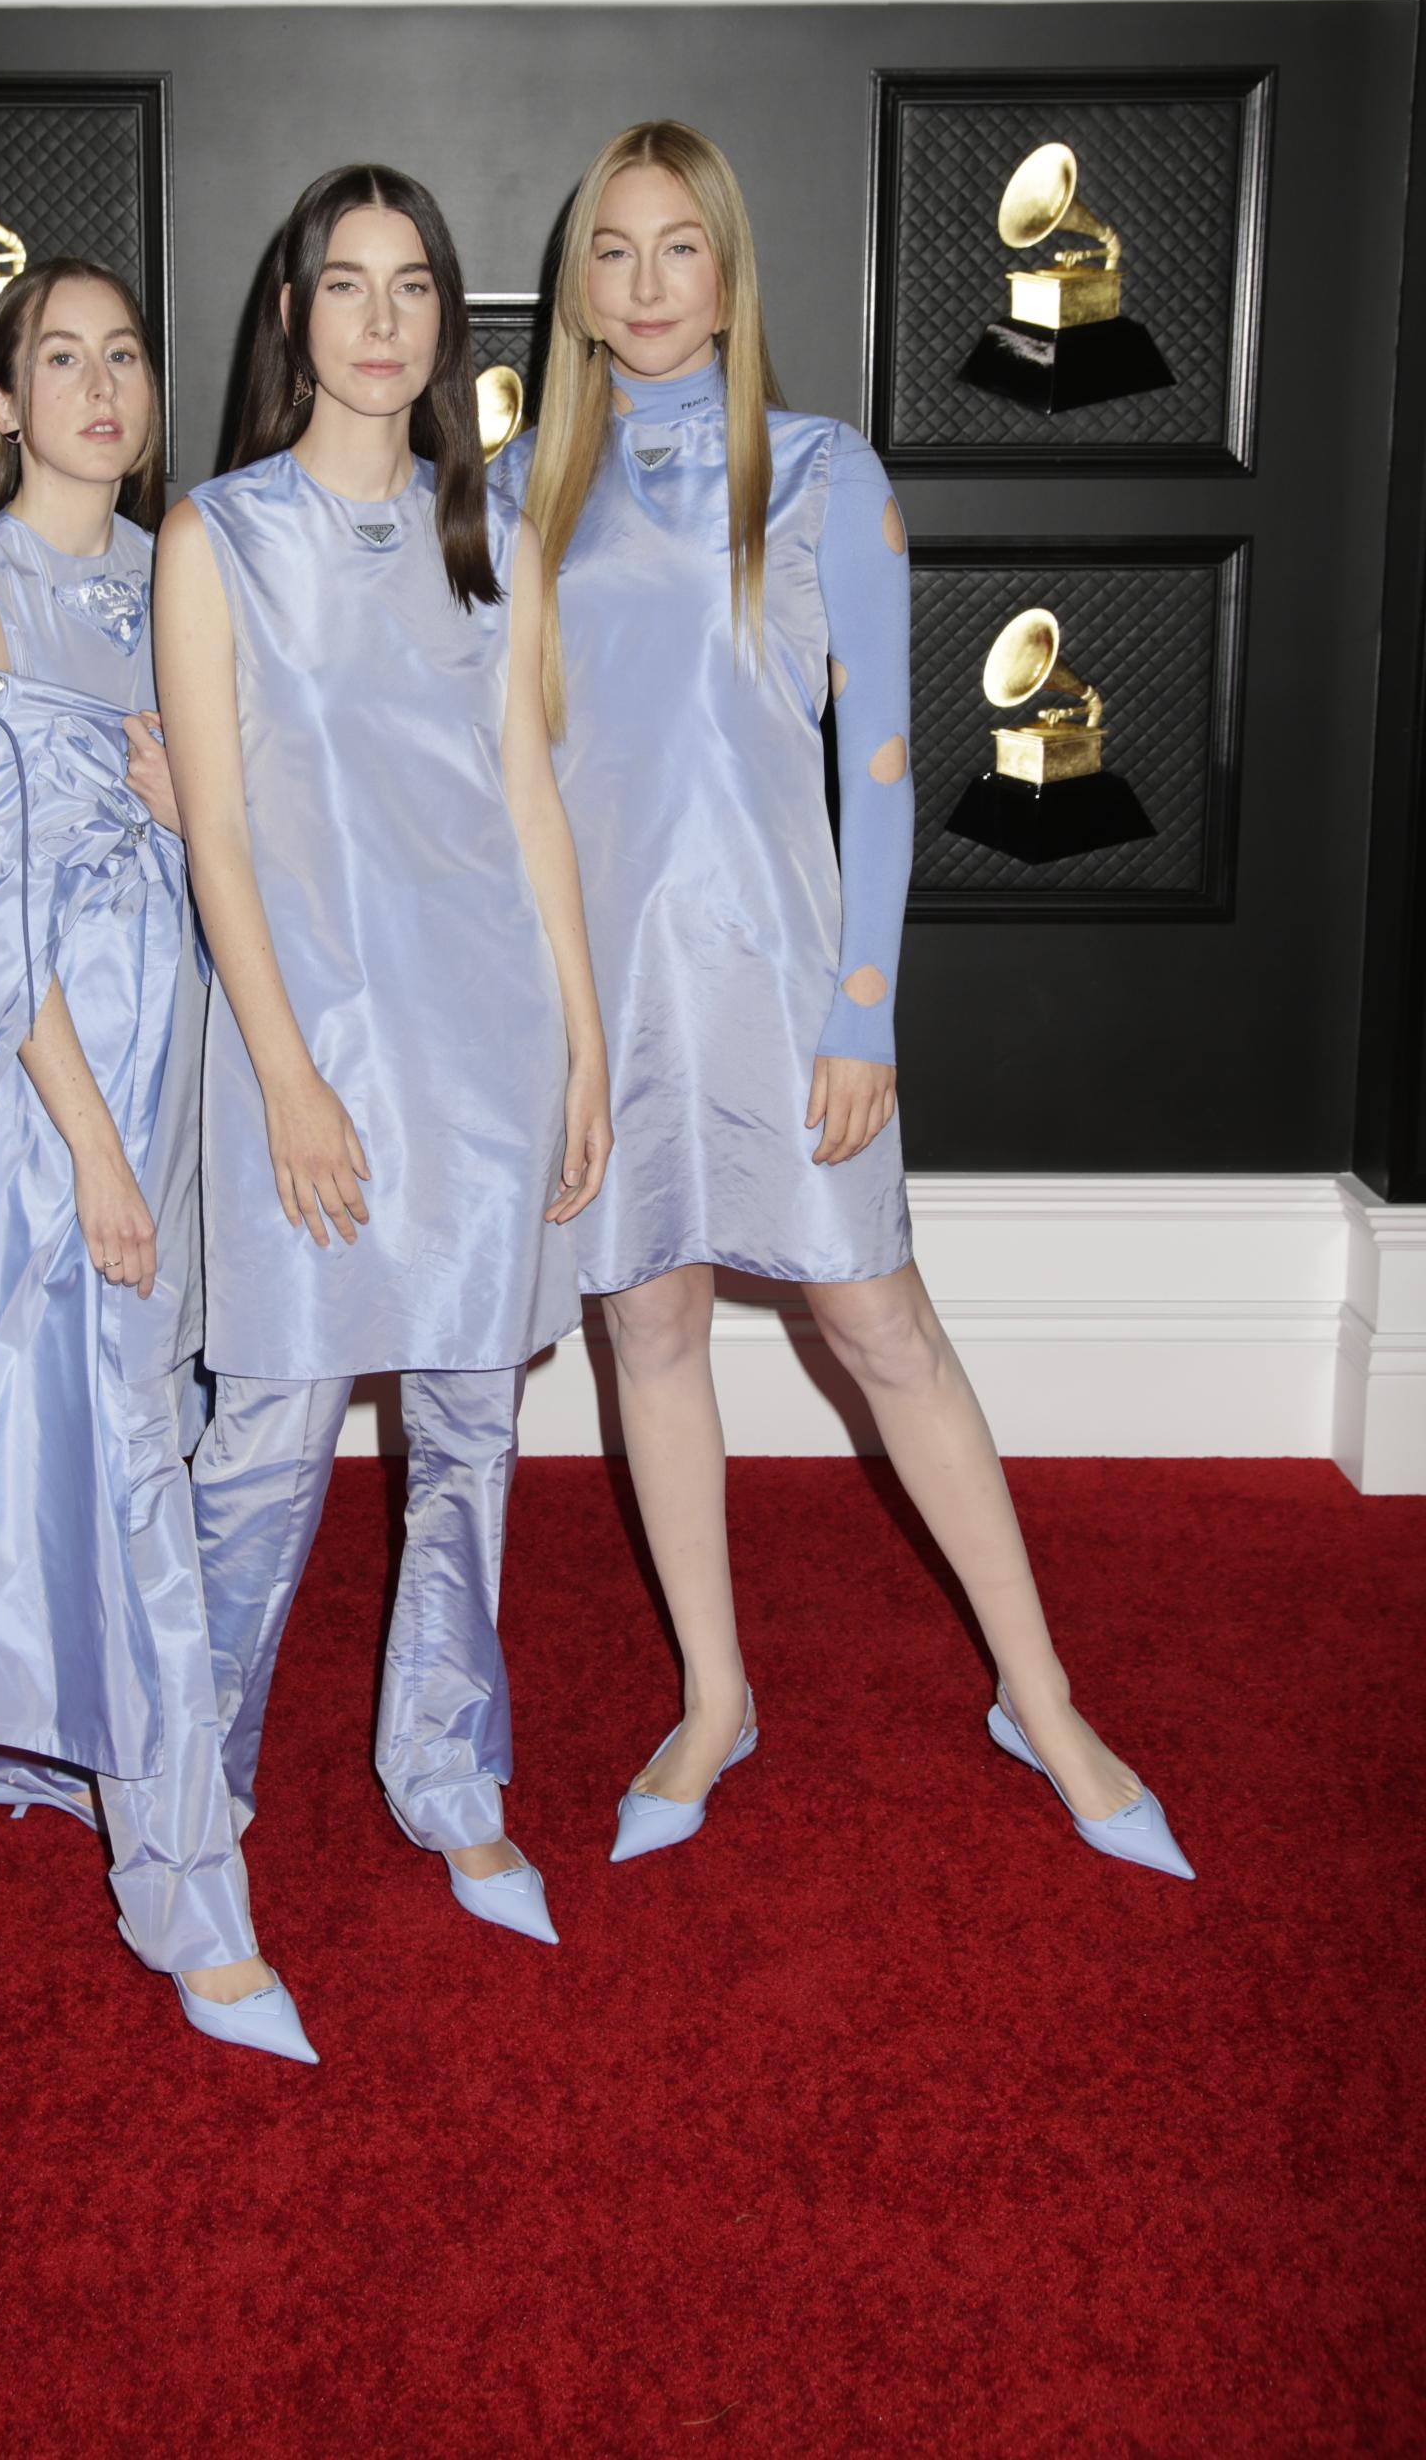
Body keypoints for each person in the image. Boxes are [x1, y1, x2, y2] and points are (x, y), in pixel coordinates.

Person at [500, 122, 1193, 1883]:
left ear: (728, 274)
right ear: (577, 289)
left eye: (680, 248)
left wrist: (864, 1008)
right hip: (605, 993)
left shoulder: (819, 472)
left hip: (783, 976)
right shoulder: (518, 495)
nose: (648, 284)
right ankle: (715, 1695)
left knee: (885, 1333)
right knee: (645, 1331)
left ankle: (1040, 1696)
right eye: (614, 251)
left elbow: (883, 768)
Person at [154, 164, 613, 1948]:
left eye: (412, 285)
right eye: (345, 285)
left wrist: (580, 1046)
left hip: (483, 1046)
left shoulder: (482, 531)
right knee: (261, 1440)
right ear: (294, 316)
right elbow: (217, 835)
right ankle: (195, 1801)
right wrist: (279, 1066)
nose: (379, 318)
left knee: (470, 1431)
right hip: (305, 1042)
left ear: (444, 323)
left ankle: (448, 1772)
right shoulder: (221, 538)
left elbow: (530, 808)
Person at [0, 256, 320, 2067]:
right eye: (58, 358)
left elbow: (269, 831)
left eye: (124, 353)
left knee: (253, 1425)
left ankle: (148, 1734)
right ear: (0, 403)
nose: (102, 385)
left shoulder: (180, 574)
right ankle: (186, 1890)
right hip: (66, 1102)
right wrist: (94, 1152)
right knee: (129, 1453)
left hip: (203, 1060)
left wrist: (182, 805)